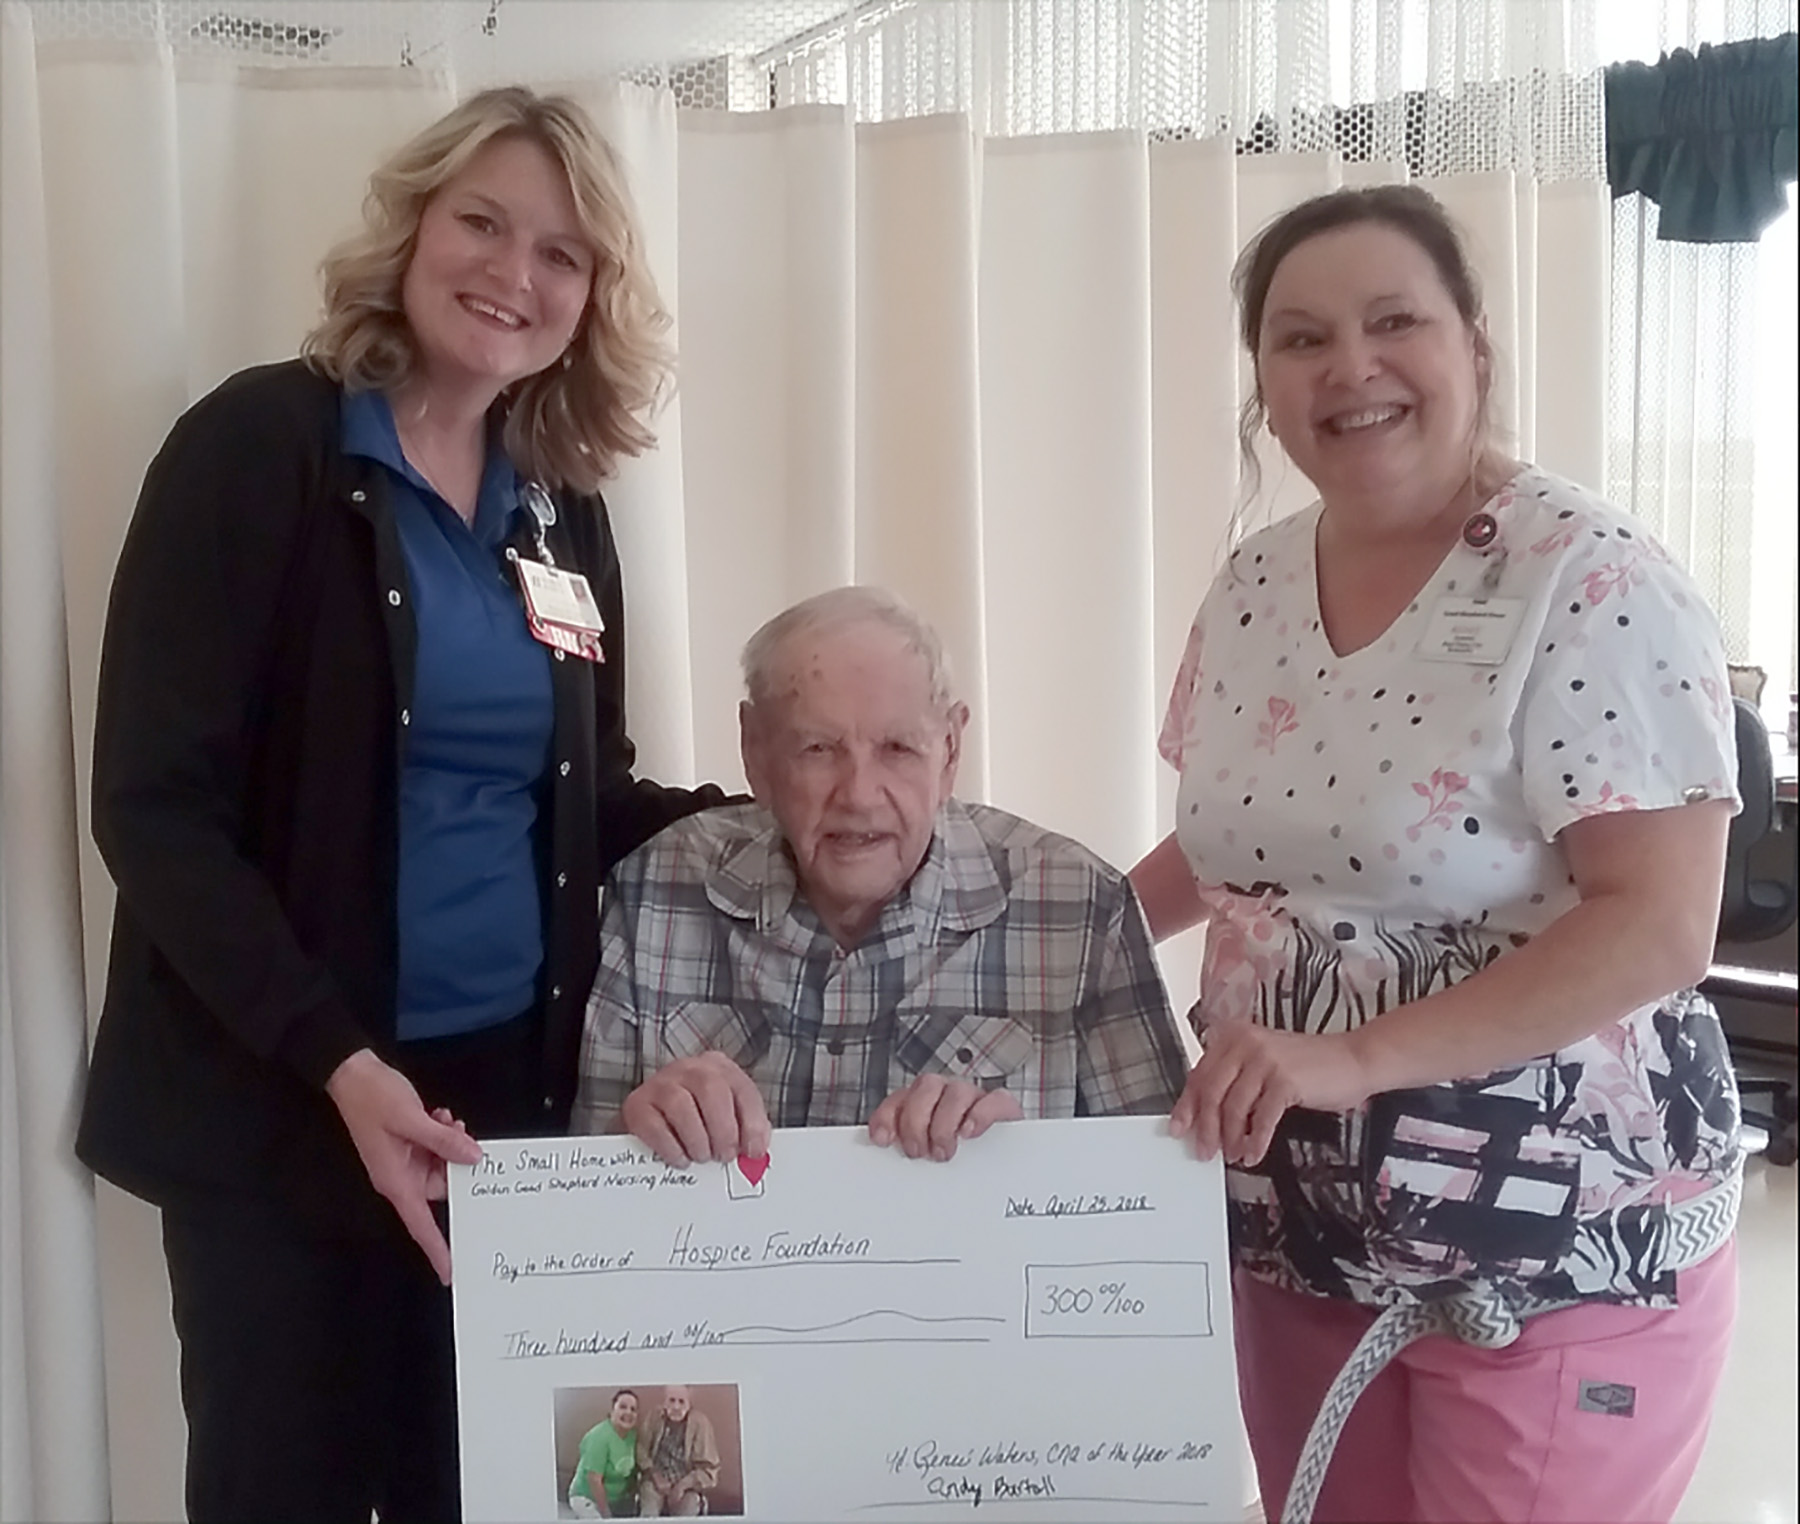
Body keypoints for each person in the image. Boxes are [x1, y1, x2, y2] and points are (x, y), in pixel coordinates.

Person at [74, 88, 724, 1523]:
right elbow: (154, 808)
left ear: (592, 297)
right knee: (281, 1490)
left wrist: (779, 821)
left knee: (485, 1488)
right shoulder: (261, 448)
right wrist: (341, 1064)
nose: (514, 272)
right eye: (483, 223)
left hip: (507, 1111)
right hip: (288, 1102)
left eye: (562, 253)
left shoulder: (564, 508)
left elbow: (584, 800)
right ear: (412, 229)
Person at [1132, 185, 1743, 1524]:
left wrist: (1347, 1058)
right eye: (1300, 338)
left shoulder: (1591, 580)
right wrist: (1066, 934)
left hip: (1551, 1246)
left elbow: (1657, 924)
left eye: (1392, 319)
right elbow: (1246, 844)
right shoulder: (1251, 587)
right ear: (1264, 388)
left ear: (1474, 342)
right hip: (1296, 1227)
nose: (1349, 366)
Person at [573, 586, 1189, 1161]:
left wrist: (1020, 1171)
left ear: (950, 749)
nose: (860, 796)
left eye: (897, 748)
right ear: (755, 751)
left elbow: (1162, 1213)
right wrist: (627, 1141)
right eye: (817, 748)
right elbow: (581, 1195)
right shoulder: (657, 887)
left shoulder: (1081, 908)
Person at [635, 1387, 719, 1519]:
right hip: (655, 1480)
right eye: (671, 1400)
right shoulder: (654, 1416)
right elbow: (641, 1450)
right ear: (664, 1402)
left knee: (688, 1510)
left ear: (689, 1404)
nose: (676, 1407)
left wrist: (682, 1486)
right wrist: (655, 1475)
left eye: (681, 1402)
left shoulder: (701, 1423)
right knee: (649, 1511)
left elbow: (708, 1469)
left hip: (687, 1483)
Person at [570, 1390, 641, 1518]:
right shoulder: (598, 1437)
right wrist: (606, 1515)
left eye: (633, 1409)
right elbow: (594, 1480)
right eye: (623, 1407)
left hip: (617, 1500)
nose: (628, 1412)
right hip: (588, 1497)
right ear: (612, 1410)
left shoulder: (633, 1435)